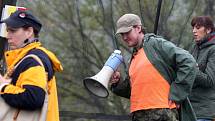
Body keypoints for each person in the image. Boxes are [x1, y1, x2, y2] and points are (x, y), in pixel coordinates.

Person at [110, 13, 197, 121]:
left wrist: (177, 93)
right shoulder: (133, 58)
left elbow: (189, 62)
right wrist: (117, 83)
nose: (124, 37)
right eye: (122, 34)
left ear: (138, 28)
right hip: (139, 115)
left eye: (127, 32)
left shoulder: (156, 44)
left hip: (162, 114)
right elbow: (133, 91)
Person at [0, 10, 63, 121]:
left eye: (13, 31)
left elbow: (33, 98)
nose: (8, 36)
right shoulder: (28, 57)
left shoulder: (32, 61)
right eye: (7, 31)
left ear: (29, 32)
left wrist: (3, 86)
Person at [189, 16, 215, 121]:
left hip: (205, 113)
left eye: (198, 28)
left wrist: (191, 68)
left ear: (208, 30)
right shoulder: (194, 48)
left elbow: (210, 80)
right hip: (190, 110)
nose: (194, 31)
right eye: (193, 28)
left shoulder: (213, 50)